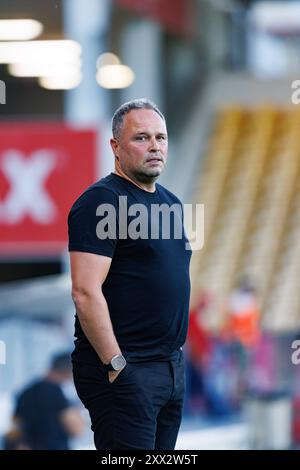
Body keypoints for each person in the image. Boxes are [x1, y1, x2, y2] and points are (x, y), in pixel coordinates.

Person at [68, 98, 192, 450]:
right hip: (126, 367)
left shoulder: (171, 203)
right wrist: (116, 362)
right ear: (115, 146)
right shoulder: (101, 202)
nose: (154, 146)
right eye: (141, 138)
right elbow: (84, 291)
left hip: (169, 367)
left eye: (161, 137)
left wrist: (174, 365)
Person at [8, 352, 84, 450]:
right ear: (69, 372)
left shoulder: (24, 392)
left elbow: (15, 430)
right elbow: (75, 429)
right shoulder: (57, 392)